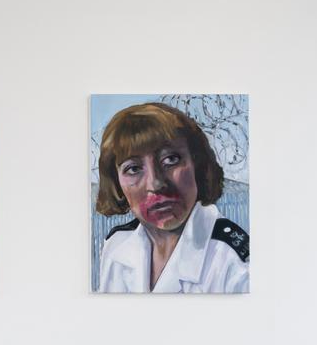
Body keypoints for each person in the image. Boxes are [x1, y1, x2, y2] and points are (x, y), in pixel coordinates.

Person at [94, 102, 248, 294]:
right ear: (116, 183)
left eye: (171, 160)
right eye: (133, 169)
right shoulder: (116, 246)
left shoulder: (235, 264)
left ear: (197, 165)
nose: (155, 184)